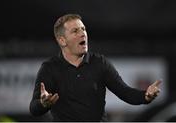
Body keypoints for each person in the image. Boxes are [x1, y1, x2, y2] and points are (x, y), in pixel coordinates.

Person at [29, 14, 161, 121]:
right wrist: (43, 104)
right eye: (75, 31)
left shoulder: (99, 63)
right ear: (62, 40)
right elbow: (34, 108)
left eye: (83, 29)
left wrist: (145, 96)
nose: (83, 34)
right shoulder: (50, 68)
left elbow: (125, 92)